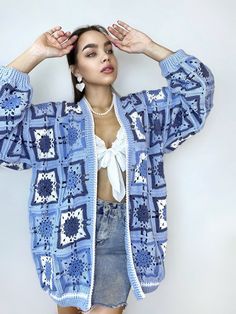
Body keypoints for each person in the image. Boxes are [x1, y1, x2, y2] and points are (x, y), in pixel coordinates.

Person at [0, 20, 215, 314]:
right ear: (75, 70)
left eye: (109, 50)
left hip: (123, 235)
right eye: (91, 53)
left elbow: (198, 93)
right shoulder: (55, 122)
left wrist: (149, 47)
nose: (105, 57)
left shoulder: (144, 114)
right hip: (68, 240)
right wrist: (35, 53)